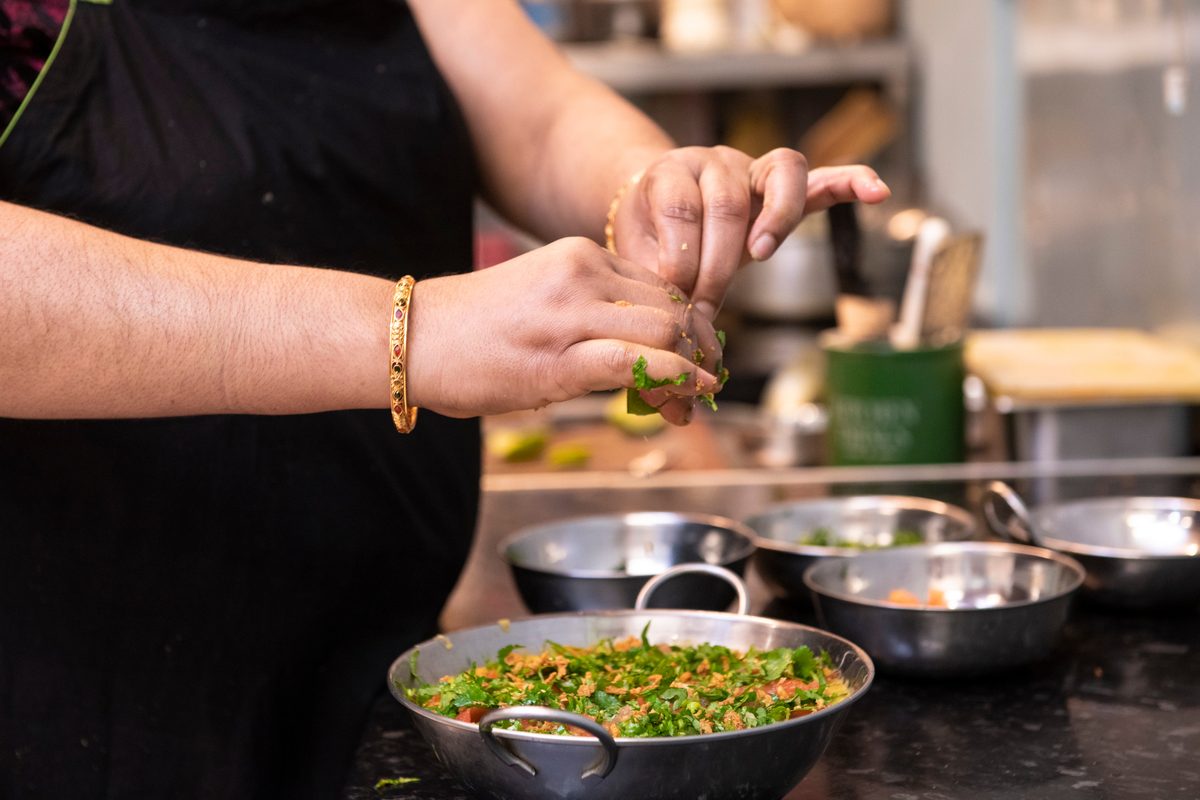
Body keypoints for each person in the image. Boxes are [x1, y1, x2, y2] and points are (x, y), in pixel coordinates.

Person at [0, 1, 889, 797]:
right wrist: (414, 332)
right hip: (85, 696)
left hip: (389, 671)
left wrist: (654, 189)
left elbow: (537, 117)